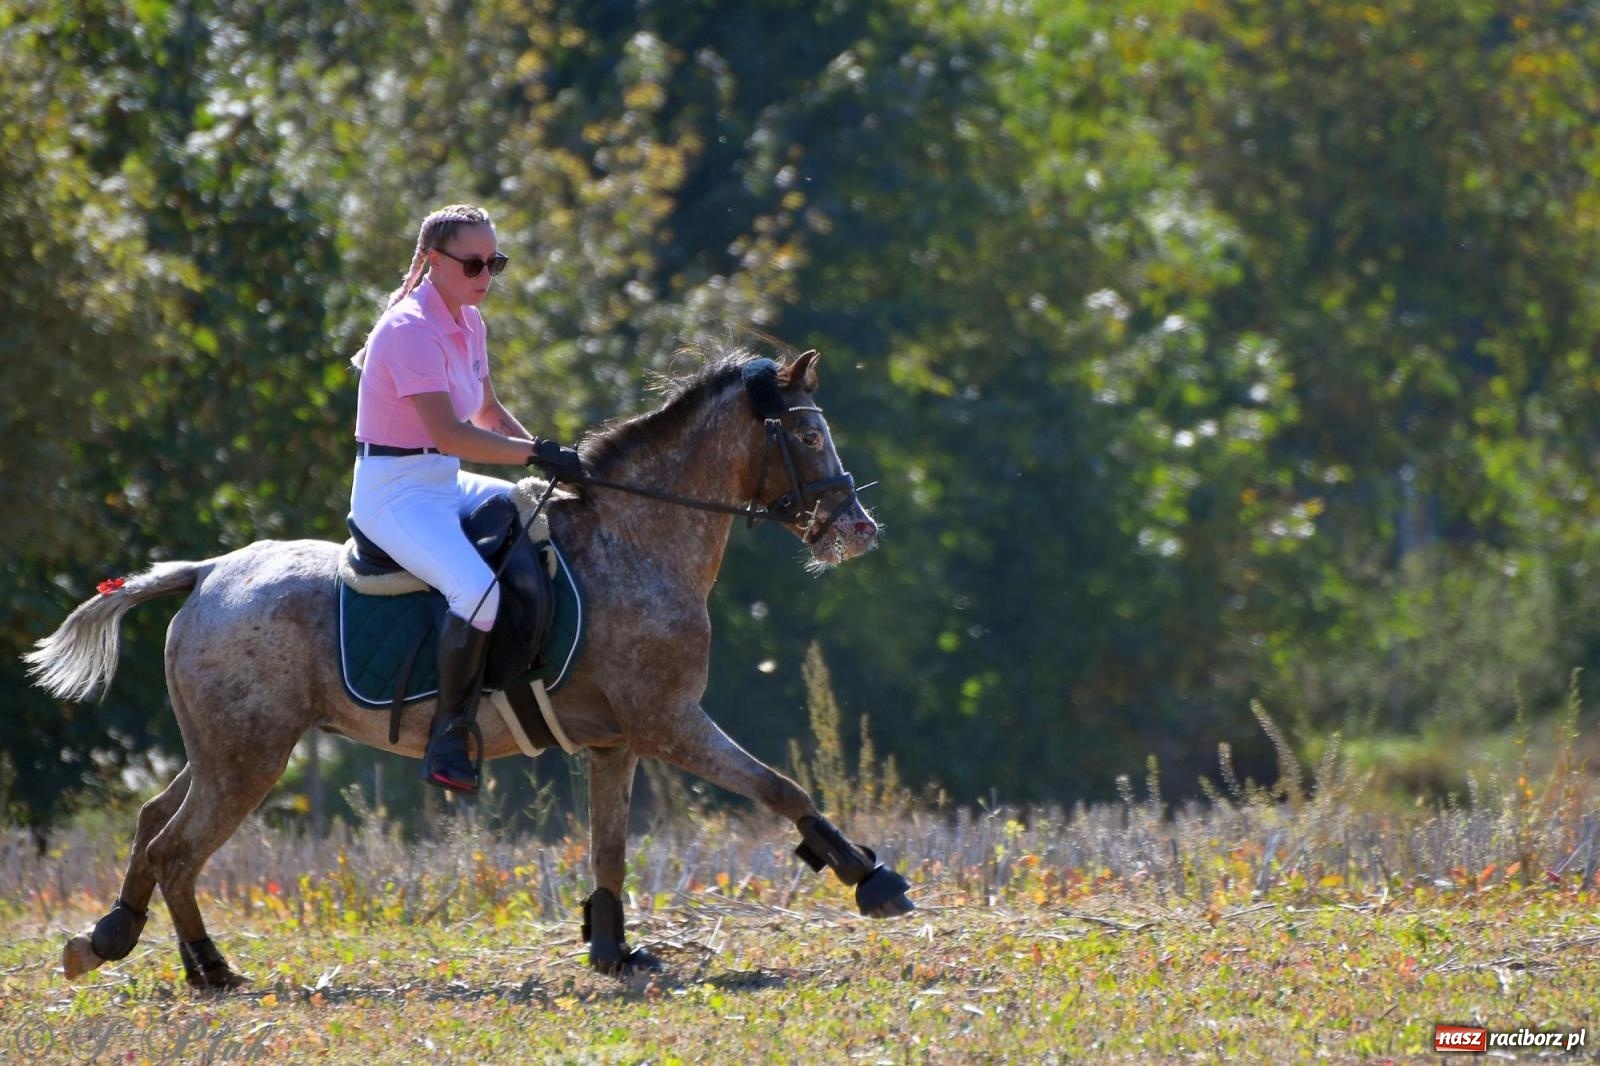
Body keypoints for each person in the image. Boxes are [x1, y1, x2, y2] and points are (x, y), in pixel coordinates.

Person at [350, 203, 583, 794]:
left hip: (441, 482)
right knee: (475, 591)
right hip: (393, 493)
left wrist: (547, 452)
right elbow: (451, 434)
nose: (486, 275)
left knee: (536, 510)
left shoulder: (468, 322)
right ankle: (449, 736)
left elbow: (487, 414)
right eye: (474, 263)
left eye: (495, 263)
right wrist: (533, 456)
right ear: (433, 261)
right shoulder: (407, 331)